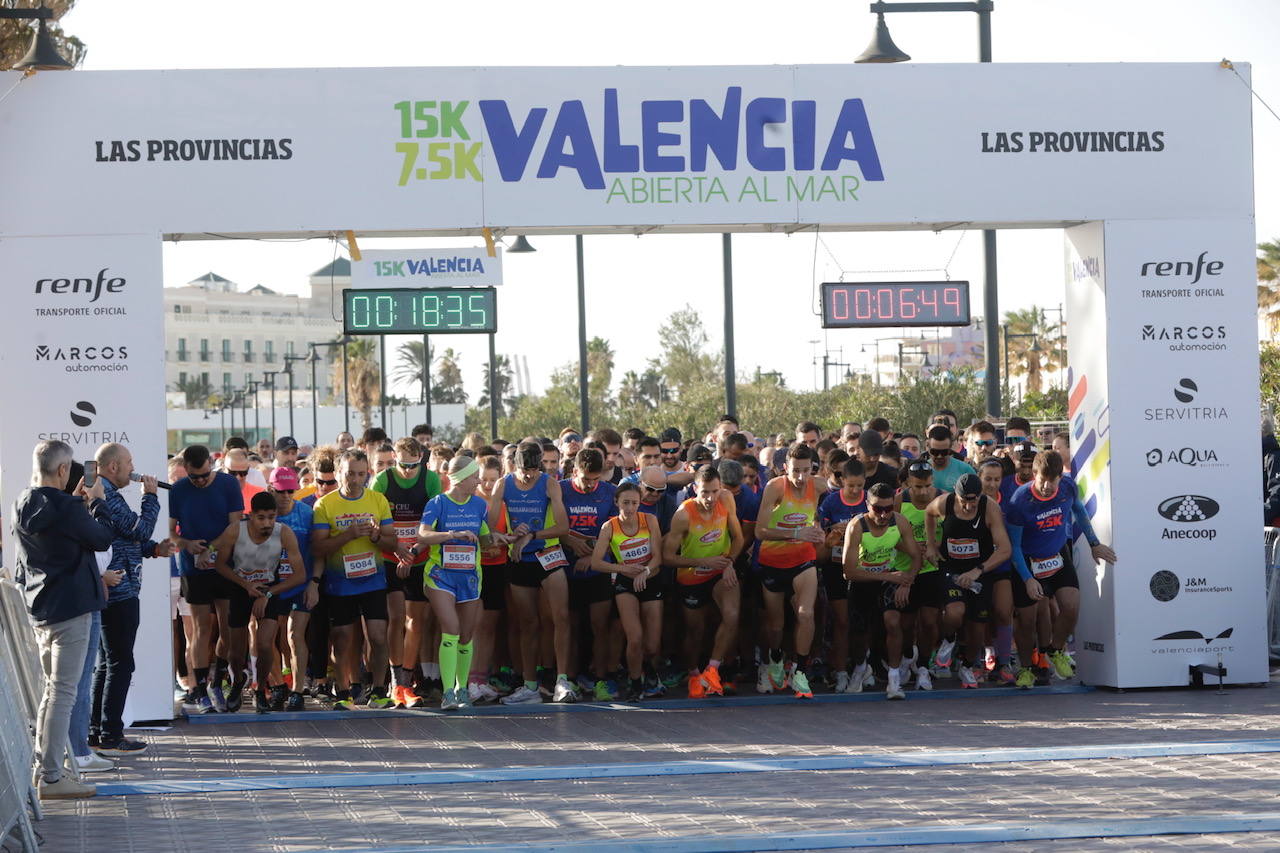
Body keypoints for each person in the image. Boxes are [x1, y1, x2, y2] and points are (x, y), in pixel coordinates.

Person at [13, 440, 113, 799]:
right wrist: (97, 502)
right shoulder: (69, 507)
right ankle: (53, 777)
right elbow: (102, 538)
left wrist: (80, 505)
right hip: (72, 609)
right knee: (63, 693)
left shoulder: (22, 502)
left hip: (41, 608)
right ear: (61, 471)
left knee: (51, 694)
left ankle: (45, 769)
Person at [1005, 450, 1117, 688]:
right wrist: (1027, 579)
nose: (1047, 485)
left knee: (1071, 606)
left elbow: (1079, 510)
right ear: (1034, 474)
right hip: (1028, 561)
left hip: (1057, 555)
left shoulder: (1067, 486)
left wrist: (1094, 544)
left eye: (1052, 480)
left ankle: (1055, 650)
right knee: (1026, 621)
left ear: (1059, 477)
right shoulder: (1019, 501)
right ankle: (1025, 668)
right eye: (1042, 479)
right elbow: (1013, 546)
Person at [90, 443, 173, 754]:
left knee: (107, 663)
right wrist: (150, 497)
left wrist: (153, 549)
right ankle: (110, 733)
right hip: (119, 592)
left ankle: (98, 730)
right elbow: (139, 527)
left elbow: (126, 538)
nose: (132, 468)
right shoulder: (107, 495)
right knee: (119, 663)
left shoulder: (105, 493)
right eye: (129, 463)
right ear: (113, 467)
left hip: (116, 588)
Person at [411, 455, 507, 710]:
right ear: (461, 479)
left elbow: (483, 535)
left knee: (466, 635)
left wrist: (498, 538)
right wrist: (451, 535)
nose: (478, 481)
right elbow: (422, 534)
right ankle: (447, 693)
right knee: (451, 628)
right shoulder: (438, 503)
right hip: (440, 575)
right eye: (475, 477)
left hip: (470, 577)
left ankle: (461, 689)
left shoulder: (478, 505)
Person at [311, 449, 398, 709]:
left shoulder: (378, 500)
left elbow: (392, 542)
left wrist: (375, 537)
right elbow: (318, 549)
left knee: (379, 635)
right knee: (341, 638)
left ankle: (380, 689)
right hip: (340, 583)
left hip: (373, 580)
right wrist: (348, 535)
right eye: (350, 474)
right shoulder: (325, 504)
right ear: (338, 474)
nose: (355, 479)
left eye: (361, 474)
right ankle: (344, 691)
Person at [489, 439, 572, 704]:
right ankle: (530, 686)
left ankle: (562, 681)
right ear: (515, 465)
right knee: (528, 623)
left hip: (548, 554)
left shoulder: (549, 483)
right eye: (525, 471)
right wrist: (511, 537)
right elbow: (491, 530)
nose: (530, 476)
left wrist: (533, 535)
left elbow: (563, 527)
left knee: (561, 617)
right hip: (520, 558)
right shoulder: (503, 484)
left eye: (534, 470)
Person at [211, 492, 308, 712]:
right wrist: (246, 585)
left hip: (269, 589)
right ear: (250, 515)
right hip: (239, 587)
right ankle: (237, 682)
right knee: (236, 651)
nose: (267, 523)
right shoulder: (235, 530)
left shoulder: (284, 533)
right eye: (261, 517)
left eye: (272, 517)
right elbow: (220, 565)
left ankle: (261, 688)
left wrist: (268, 594)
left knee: (265, 644)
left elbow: (300, 575)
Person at [169, 444, 245, 713]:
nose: (200, 481)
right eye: (194, 477)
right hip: (193, 568)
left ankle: (219, 679)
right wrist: (187, 545)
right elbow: (172, 533)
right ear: (186, 470)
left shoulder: (227, 484)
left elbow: (235, 525)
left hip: (224, 564)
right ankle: (199, 689)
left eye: (204, 475)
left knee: (226, 629)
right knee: (200, 629)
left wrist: (211, 549)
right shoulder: (178, 490)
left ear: (212, 466)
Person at [372, 437, 443, 707]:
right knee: (396, 618)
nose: (408, 471)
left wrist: (411, 552)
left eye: (414, 466)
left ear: (422, 459)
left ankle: (405, 681)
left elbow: (432, 523)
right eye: (403, 465)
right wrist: (398, 549)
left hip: (419, 557)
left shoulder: (431, 479)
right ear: (394, 458)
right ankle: (393, 680)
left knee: (416, 621)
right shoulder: (382, 480)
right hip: (390, 557)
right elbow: (375, 526)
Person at [924, 472, 1012, 688]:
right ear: (956, 496)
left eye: (973, 502)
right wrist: (931, 544)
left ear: (980, 496)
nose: (968, 507)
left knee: (977, 628)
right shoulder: (945, 502)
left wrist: (978, 571)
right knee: (955, 612)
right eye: (964, 502)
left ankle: (967, 665)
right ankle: (948, 639)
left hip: (979, 571)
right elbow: (928, 512)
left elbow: (1005, 550)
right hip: (951, 567)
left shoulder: (989, 507)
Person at [665, 466, 743, 699]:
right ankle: (693, 673)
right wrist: (702, 560)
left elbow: (738, 538)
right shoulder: (684, 513)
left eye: (714, 491)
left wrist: (729, 562)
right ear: (694, 489)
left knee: (732, 616)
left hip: (721, 570)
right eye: (705, 493)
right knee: (695, 631)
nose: (710, 498)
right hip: (692, 576)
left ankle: (713, 669)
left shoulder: (726, 500)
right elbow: (668, 556)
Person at [754, 444, 826, 698]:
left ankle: (800, 671)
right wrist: (796, 532)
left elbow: (818, 513)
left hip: (803, 558)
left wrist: (819, 528)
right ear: (785, 468)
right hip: (773, 560)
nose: (800, 477)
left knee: (806, 615)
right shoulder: (775, 487)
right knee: (776, 626)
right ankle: (773, 660)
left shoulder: (818, 485)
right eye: (796, 471)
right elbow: (759, 531)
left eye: (806, 471)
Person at [842, 482, 922, 700]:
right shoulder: (857, 526)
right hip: (863, 579)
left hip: (889, 579)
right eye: (878, 509)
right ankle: (860, 667)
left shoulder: (900, 522)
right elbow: (849, 572)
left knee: (893, 623)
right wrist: (889, 576)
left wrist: (906, 583)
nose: (884, 514)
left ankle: (894, 678)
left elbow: (916, 556)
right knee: (859, 632)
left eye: (888, 509)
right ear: (867, 505)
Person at [593, 482, 666, 700]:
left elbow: (658, 557)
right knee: (634, 637)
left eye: (634, 503)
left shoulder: (649, 520)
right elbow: (596, 562)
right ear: (616, 502)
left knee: (652, 645)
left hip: (650, 580)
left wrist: (645, 571)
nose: (630, 508)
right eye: (625, 503)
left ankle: (650, 672)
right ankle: (635, 683)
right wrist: (622, 568)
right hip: (625, 583)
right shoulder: (609, 527)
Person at [559, 448, 618, 699]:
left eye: (596, 479)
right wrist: (570, 542)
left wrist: (590, 555)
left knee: (599, 626)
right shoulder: (560, 490)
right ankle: (569, 680)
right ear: (574, 471)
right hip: (565, 569)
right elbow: (551, 526)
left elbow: (615, 532)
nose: (591, 485)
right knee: (569, 626)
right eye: (586, 479)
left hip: (597, 569)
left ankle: (601, 679)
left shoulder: (610, 492)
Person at [265, 466, 319, 711]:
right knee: (266, 638)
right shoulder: (262, 515)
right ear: (270, 489)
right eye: (280, 491)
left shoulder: (307, 514)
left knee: (294, 636)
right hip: (272, 585)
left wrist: (314, 583)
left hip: (300, 583)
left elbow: (319, 552)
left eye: (291, 491)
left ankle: (297, 691)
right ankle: (277, 686)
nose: (286, 496)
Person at [817, 458, 867, 692]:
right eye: (851, 486)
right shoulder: (830, 502)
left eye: (859, 485)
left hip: (864, 567)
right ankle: (840, 672)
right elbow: (822, 545)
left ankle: (861, 666)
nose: (856, 490)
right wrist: (831, 538)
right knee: (841, 621)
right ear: (842, 481)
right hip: (835, 568)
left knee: (862, 622)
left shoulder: (870, 500)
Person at [924, 424, 976, 493]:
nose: (939, 456)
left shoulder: (965, 470)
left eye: (944, 452)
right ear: (928, 447)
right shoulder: (922, 469)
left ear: (951, 447)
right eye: (935, 452)